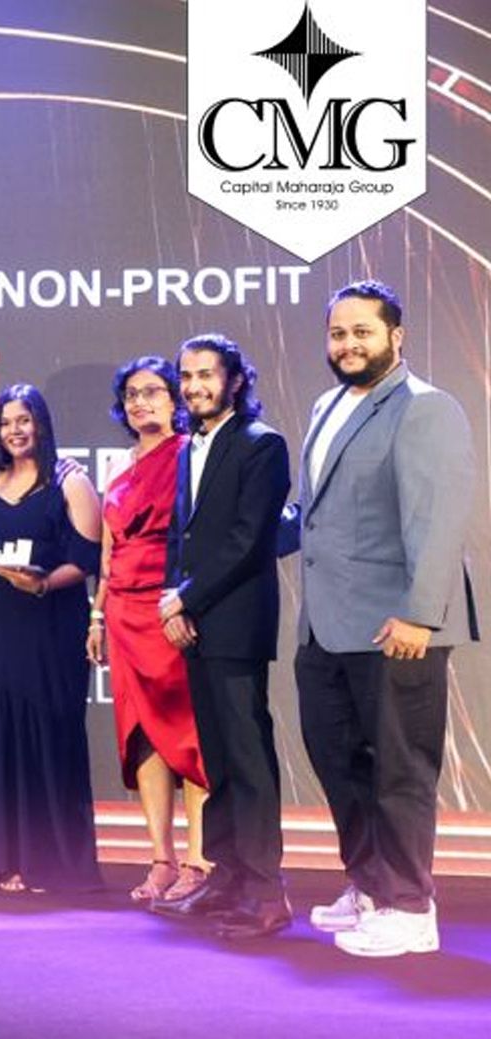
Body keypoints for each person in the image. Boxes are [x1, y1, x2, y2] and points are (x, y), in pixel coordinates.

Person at [295, 280, 477, 957]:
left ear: (395, 337)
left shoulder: (425, 407)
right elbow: (319, 512)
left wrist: (420, 615)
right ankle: (371, 886)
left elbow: (438, 520)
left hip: (398, 626)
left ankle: (410, 907)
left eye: (362, 332)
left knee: (399, 769)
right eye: (338, 333)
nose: (348, 345)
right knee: (338, 759)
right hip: (326, 624)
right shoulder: (327, 406)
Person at [149, 335, 292, 940]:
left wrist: (186, 598)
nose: (194, 386)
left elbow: (248, 540)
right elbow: (180, 535)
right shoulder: (189, 447)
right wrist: (172, 599)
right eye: (186, 376)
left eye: (206, 375)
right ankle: (227, 877)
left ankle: (266, 891)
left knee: (248, 759)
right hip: (196, 624)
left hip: (236, 622)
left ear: (235, 380)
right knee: (219, 759)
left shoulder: (262, 444)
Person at [0, 384, 103, 893]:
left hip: (53, 618)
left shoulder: (70, 480)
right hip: (1, 619)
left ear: (41, 424)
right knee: (5, 729)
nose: (14, 430)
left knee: (51, 729)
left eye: (23, 420)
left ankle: (56, 862)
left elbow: (88, 560)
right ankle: (7, 859)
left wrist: (43, 582)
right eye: (6, 422)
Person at [86, 357, 210, 902]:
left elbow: (198, 539)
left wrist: (185, 603)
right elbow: (109, 551)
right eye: (132, 394)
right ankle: (161, 859)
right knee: (142, 737)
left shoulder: (190, 454)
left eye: (153, 391)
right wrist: (97, 614)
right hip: (123, 614)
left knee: (186, 734)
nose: (141, 402)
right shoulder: (119, 466)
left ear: (175, 398)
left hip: (169, 609)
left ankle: (199, 861)